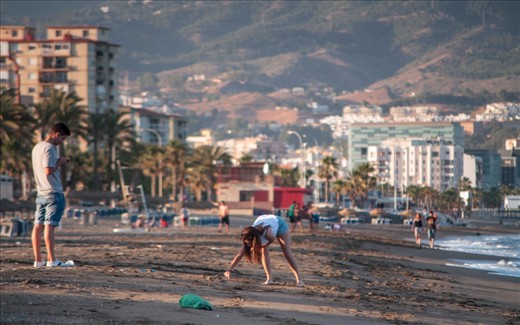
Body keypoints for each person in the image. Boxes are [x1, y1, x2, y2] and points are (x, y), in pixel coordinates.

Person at [224, 214, 304, 287]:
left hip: (279, 224)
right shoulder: (248, 235)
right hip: (265, 219)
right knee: (263, 252)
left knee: (287, 253)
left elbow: (271, 240)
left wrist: (258, 247)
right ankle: (269, 279)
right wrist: (229, 270)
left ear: (254, 240)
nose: (248, 245)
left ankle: (299, 280)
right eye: (247, 243)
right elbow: (240, 255)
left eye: (250, 243)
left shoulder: (267, 233)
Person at [31, 122, 71, 268]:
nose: (62, 143)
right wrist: (60, 162)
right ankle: (52, 260)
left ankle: (38, 260)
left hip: (41, 192)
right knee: (50, 226)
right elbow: (48, 170)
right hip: (53, 192)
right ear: (57, 134)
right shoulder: (49, 148)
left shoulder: (37, 147)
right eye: (63, 139)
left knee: (37, 226)